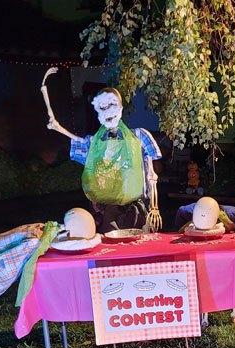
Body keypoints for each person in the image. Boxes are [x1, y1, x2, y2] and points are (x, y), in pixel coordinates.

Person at [40, 68, 163, 233]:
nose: (108, 111)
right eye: (102, 107)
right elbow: (91, 171)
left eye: (111, 105)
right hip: (105, 209)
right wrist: (57, 126)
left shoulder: (139, 136)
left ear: (120, 107)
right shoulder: (94, 144)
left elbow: (153, 172)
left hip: (137, 208)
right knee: (107, 242)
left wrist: (154, 206)